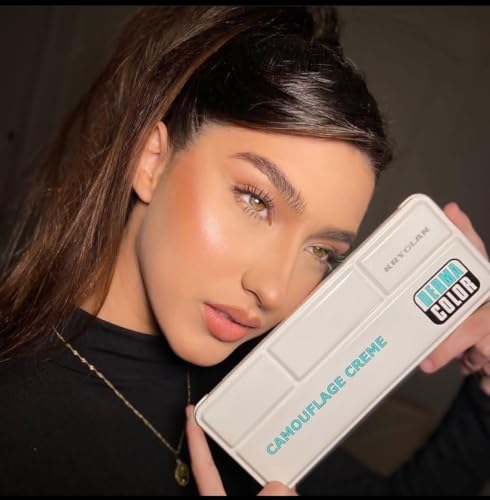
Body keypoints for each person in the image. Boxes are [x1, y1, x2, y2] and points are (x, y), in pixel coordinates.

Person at [0, 5, 488, 496]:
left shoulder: (251, 379)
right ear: (151, 160)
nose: (273, 290)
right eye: (255, 201)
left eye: (321, 251)